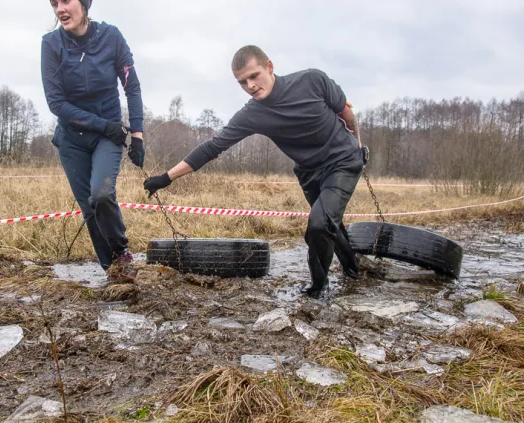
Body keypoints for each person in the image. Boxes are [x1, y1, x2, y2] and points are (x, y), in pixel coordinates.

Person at [143, 45, 367, 298]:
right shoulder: (252, 114)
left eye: (254, 76)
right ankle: (354, 270)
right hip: (308, 171)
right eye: (242, 82)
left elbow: (346, 113)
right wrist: (166, 177)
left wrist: (358, 146)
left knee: (319, 224)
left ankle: (317, 290)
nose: (250, 85)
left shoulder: (312, 80)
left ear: (269, 67)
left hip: (343, 159)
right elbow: (212, 147)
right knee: (328, 225)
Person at [41, 0, 145, 283]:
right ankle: (114, 273)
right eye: (54, 3)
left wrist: (137, 134)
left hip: (106, 138)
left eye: (66, 1)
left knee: (100, 195)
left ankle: (122, 253)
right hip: (73, 138)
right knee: (88, 209)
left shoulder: (111, 37)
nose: (60, 9)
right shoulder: (51, 44)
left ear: (85, 4)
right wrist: (104, 125)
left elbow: (131, 86)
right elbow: (56, 103)